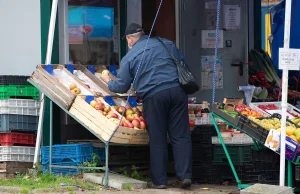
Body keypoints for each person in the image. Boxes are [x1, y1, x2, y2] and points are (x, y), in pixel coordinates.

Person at [102, 23, 192, 189]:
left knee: (157, 138)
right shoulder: (167, 43)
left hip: (154, 95)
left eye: (128, 40)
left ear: (130, 39)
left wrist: (108, 81)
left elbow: (121, 86)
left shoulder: (130, 56)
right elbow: (184, 64)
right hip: (178, 91)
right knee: (181, 135)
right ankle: (184, 176)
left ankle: (160, 181)